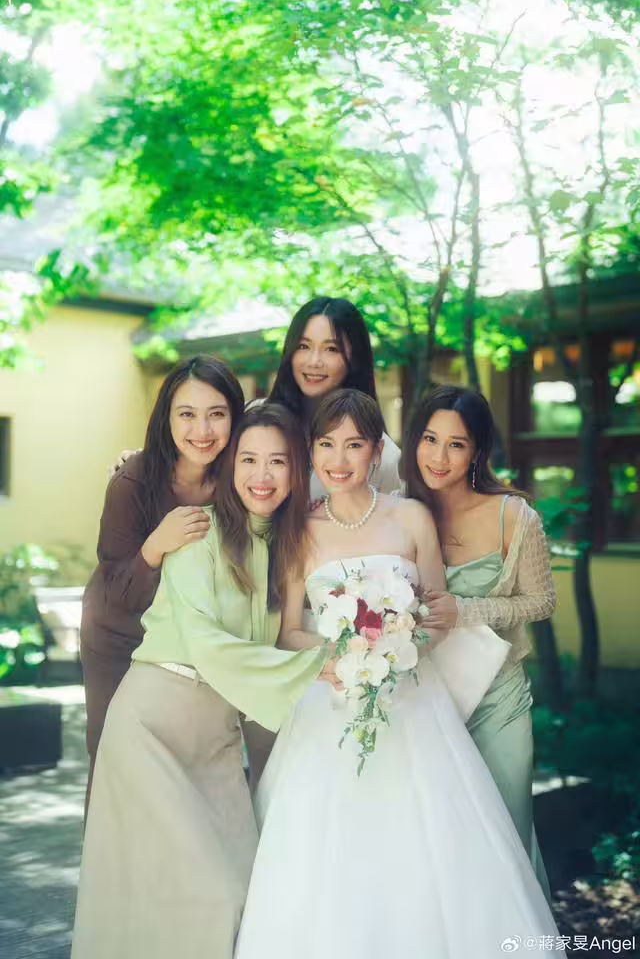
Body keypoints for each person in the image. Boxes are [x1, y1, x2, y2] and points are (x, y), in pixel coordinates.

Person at [235, 390, 564, 959]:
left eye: (354, 445)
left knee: (437, 843)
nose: (339, 459)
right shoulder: (298, 528)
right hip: (331, 701)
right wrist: (342, 660)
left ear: (376, 451)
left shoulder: (411, 515)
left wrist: (395, 650)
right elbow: (289, 631)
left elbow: (436, 615)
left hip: (413, 698)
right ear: (310, 451)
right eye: (326, 445)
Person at [71, 404, 334, 959]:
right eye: (249, 459)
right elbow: (206, 644)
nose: (262, 475)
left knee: (248, 891)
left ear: (298, 470)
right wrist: (313, 668)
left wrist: (353, 655)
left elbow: (283, 638)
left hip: (216, 743)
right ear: (229, 465)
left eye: (278, 461)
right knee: (209, 896)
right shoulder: (198, 530)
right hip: (152, 730)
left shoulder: (287, 547)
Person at [403, 384, 555, 895]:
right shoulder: (401, 511)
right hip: (424, 702)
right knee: (438, 845)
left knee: (506, 835)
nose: (438, 456)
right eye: (429, 439)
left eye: (456, 444)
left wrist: (466, 611)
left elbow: (542, 601)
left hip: (497, 697)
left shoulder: (514, 515)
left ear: (476, 452)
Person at [80, 356, 245, 792]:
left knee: (184, 769)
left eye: (217, 414)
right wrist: (155, 545)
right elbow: (116, 589)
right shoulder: (133, 481)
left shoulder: (240, 479)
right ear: (166, 419)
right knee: (116, 763)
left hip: (192, 640)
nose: (202, 430)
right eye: (186, 414)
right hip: (121, 636)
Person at [269, 296, 402, 498]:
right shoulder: (252, 420)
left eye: (331, 349)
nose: (314, 361)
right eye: (303, 346)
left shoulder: (384, 454)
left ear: (354, 358)